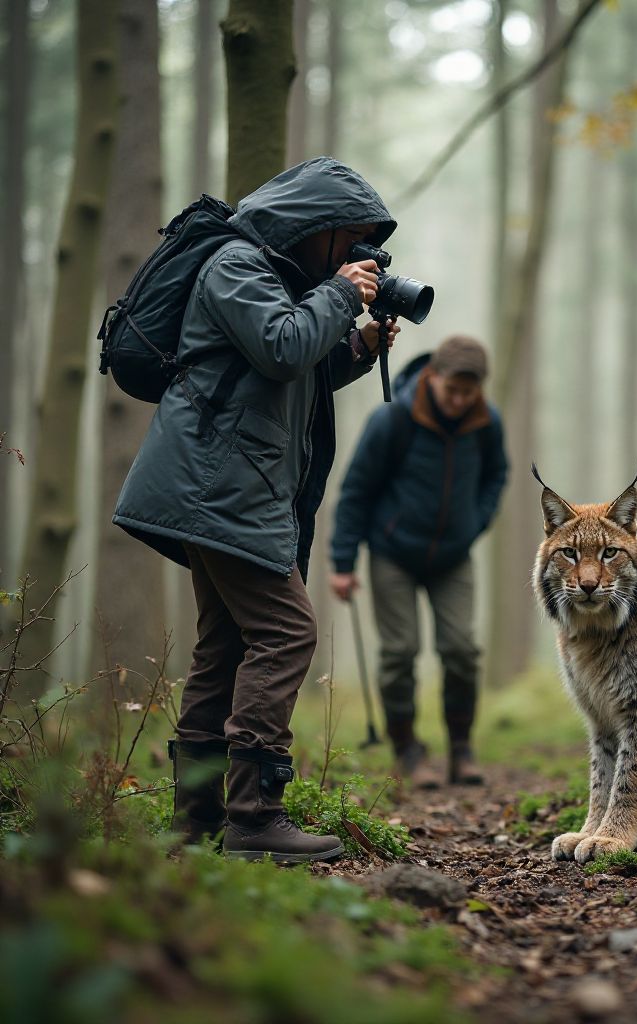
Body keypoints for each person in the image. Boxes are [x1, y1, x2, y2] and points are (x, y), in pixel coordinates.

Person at [113, 157, 402, 863]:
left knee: (226, 648)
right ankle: (253, 816)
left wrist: (359, 345)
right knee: (287, 633)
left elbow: (294, 375)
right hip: (216, 488)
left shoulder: (277, 280)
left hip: (230, 489)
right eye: (350, 240)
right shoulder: (235, 264)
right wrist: (337, 297)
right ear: (314, 227)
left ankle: (197, 820)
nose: (357, 256)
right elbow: (281, 349)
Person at [329, 336, 508, 788]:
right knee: (399, 651)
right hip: (393, 553)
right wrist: (342, 562)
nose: (459, 400)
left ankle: (461, 749)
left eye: (469, 392)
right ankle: (407, 748)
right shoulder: (393, 417)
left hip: (453, 555)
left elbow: (497, 475)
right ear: (433, 377)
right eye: (452, 390)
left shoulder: (487, 422)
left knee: (462, 650)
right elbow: (355, 491)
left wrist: (476, 522)